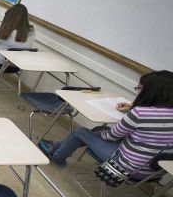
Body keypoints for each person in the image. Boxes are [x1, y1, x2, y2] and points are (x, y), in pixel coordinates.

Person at [38, 70, 173, 175]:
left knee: (81, 132)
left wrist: (132, 113)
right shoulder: (151, 112)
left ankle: (57, 156)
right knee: (96, 131)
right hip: (154, 172)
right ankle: (55, 146)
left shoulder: (140, 113)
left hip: (126, 166)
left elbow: (111, 136)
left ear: (150, 92)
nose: (137, 92)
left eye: (139, 89)